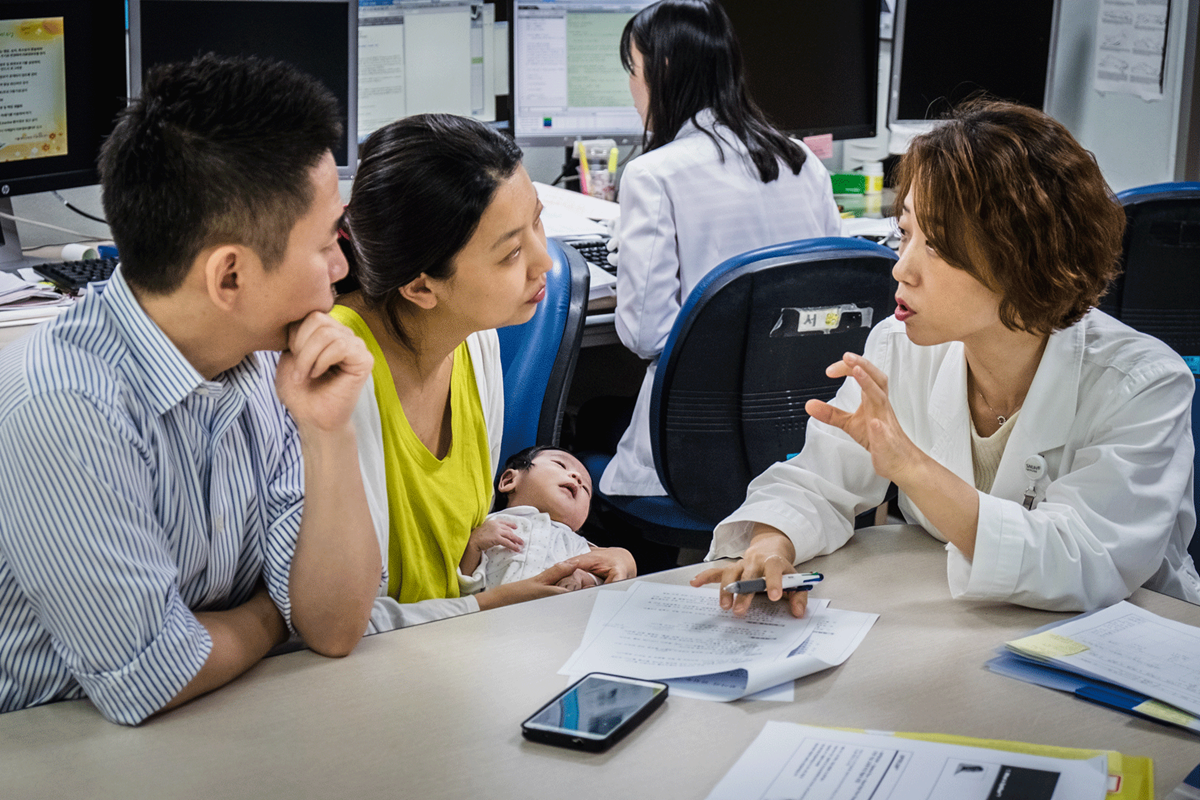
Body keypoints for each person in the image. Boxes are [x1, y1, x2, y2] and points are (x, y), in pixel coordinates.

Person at [693, 99, 1200, 616]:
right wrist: (772, 544)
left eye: (937, 245)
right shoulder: (900, 345)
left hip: (1124, 642)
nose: (901, 270)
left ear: (1024, 257)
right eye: (907, 232)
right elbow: (819, 483)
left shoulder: (1143, 383)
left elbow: (1083, 561)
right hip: (970, 630)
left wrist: (910, 467)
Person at [0, 55, 380, 724]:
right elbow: (153, 677)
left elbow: (336, 623)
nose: (341, 267)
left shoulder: (265, 361)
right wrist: (270, 614)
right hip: (50, 751)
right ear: (229, 277)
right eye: (324, 243)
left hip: (222, 723)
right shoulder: (64, 407)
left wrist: (329, 430)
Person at [334, 114, 636, 632]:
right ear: (421, 287)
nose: (545, 260)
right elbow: (346, 626)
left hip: (459, 648)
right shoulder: (340, 378)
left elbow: (463, 560)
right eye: (512, 251)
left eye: (537, 222)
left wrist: (585, 563)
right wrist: (493, 604)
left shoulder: (475, 342)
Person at [599, 0, 843, 497]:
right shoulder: (802, 162)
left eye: (634, 69)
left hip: (696, 451)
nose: (633, 86)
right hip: (796, 441)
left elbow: (646, 335)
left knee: (586, 423)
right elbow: (834, 304)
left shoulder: (653, 174)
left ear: (662, 72)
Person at [461, 446, 616, 594]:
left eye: (586, 489)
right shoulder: (491, 525)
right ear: (509, 480)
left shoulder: (578, 545)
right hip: (492, 614)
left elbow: (605, 580)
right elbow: (464, 588)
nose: (577, 478)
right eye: (560, 464)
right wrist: (473, 546)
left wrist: (585, 578)